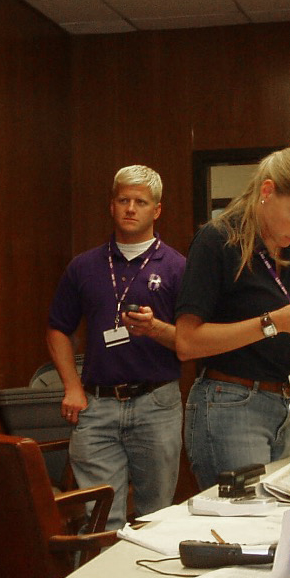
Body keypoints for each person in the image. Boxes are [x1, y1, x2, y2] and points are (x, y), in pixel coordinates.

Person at [174, 145, 290, 492]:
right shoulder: (217, 239)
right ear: (267, 191)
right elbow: (186, 342)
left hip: (285, 403)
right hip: (231, 404)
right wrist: (276, 321)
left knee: (279, 521)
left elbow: (275, 339)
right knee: (247, 525)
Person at [46, 165, 187, 528]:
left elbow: (192, 342)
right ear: (111, 205)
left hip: (157, 404)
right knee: (100, 518)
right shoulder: (84, 266)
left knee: (155, 517)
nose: (130, 208)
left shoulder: (177, 268)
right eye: (123, 200)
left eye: (140, 202)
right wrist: (71, 386)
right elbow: (58, 329)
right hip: (96, 405)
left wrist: (155, 329)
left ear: (156, 210)